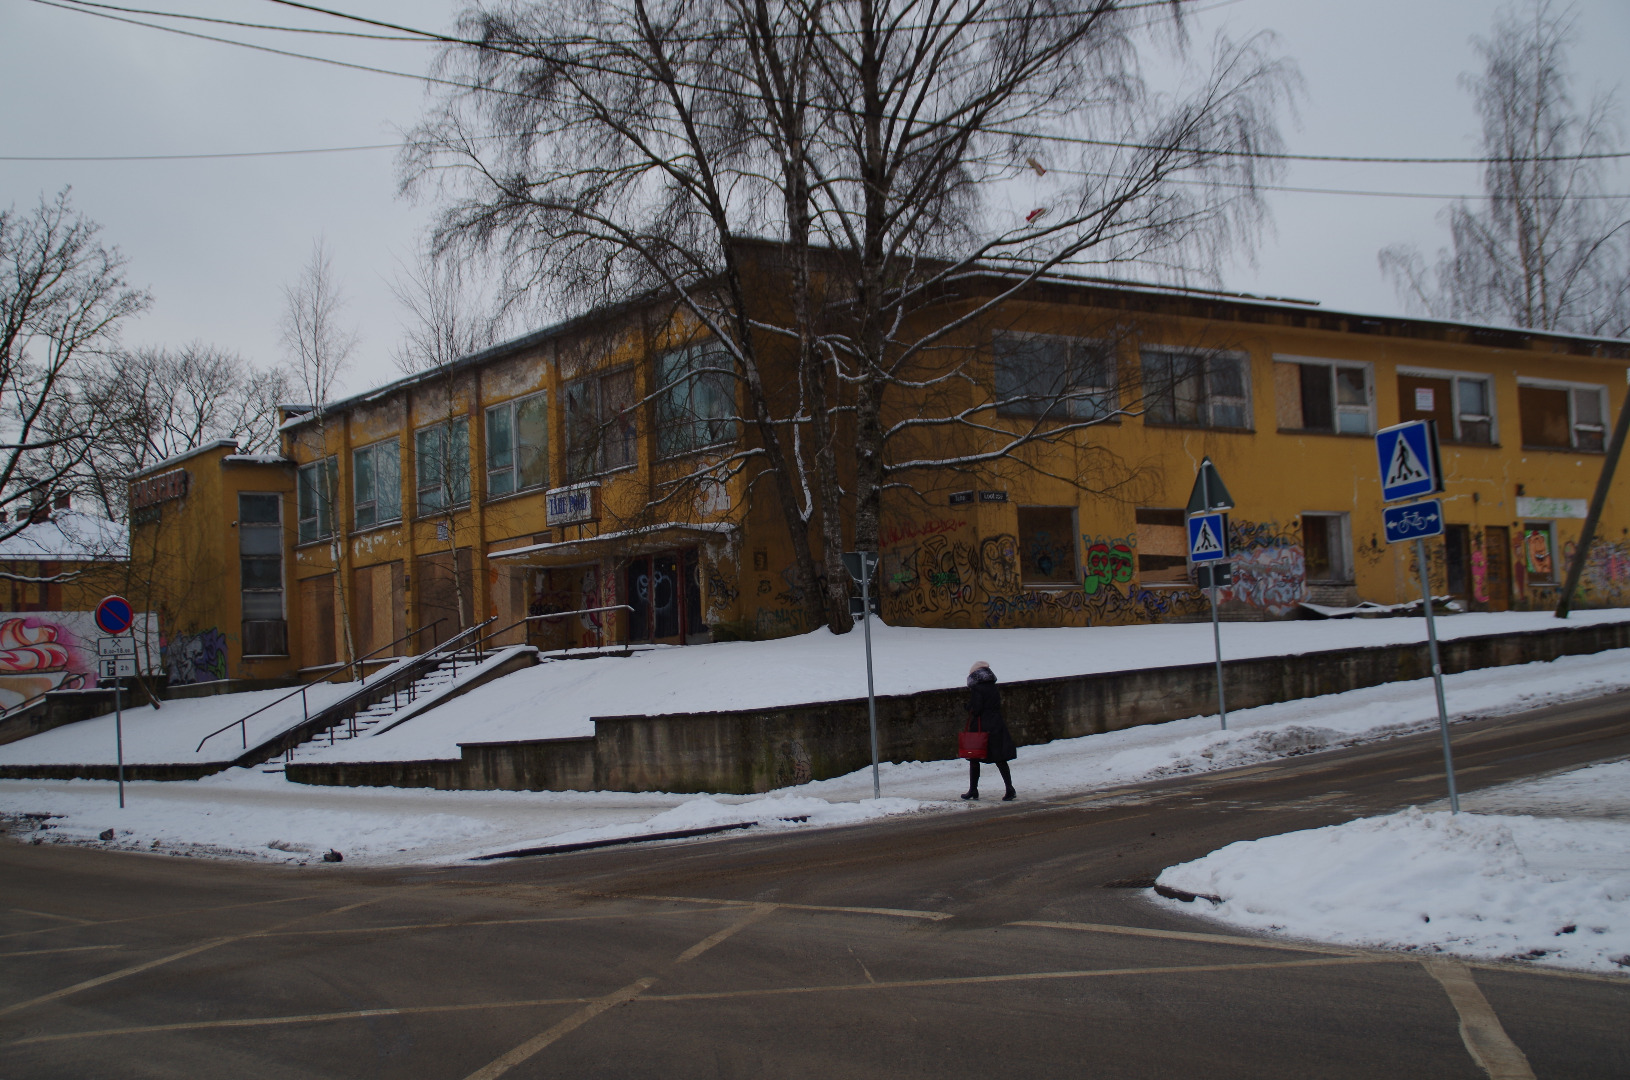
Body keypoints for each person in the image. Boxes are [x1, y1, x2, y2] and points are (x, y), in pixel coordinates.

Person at [963, 660, 1017, 801]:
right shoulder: (993, 686)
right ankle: (1009, 788)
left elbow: (977, 708)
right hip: (996, 725)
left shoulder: (977, 689)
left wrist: (968, 707)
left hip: (981, 727)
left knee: (974, 757)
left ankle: (973, 790)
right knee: (1000, 758)